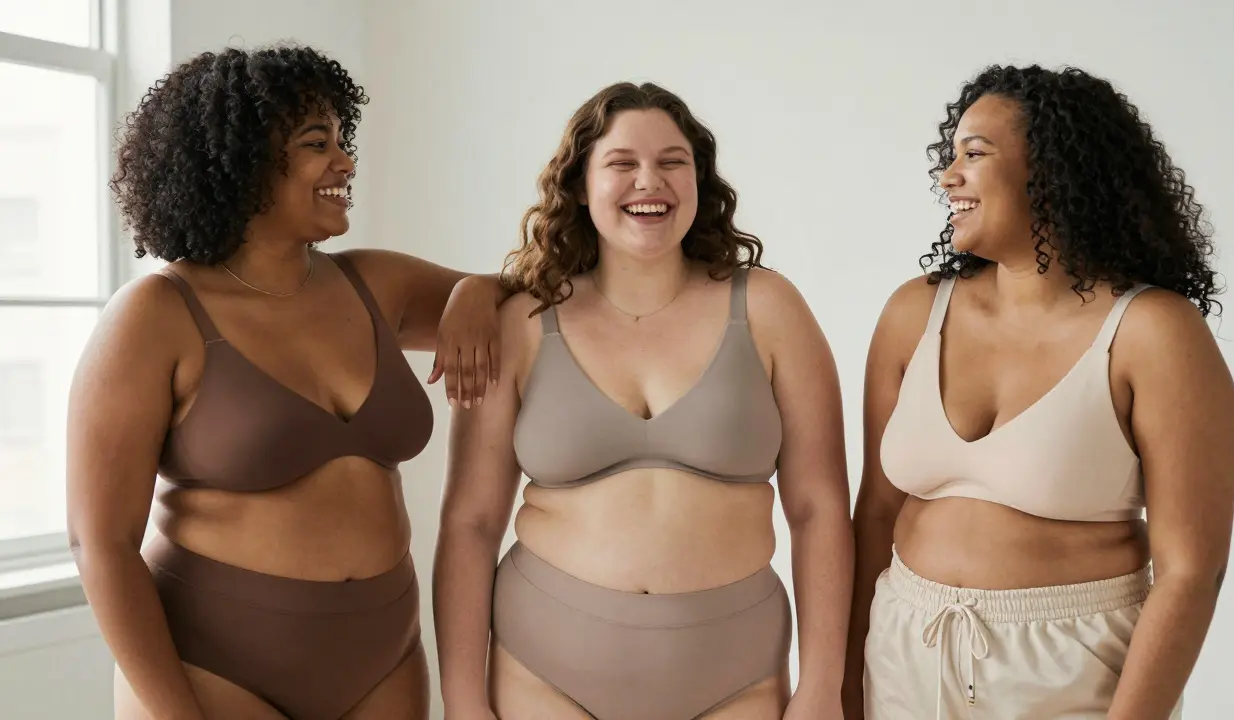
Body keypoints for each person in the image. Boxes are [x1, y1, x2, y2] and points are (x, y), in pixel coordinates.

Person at [66, 44, 507, 720]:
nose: (345, 162)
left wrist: (478, 288)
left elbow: (540, 299)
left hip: (382, 659)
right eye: (315, 143)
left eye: (341, 139)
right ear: (242, 161)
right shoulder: (155, 315)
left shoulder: (375, 284)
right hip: (215, 667)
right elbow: (100, 543)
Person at [433, 81, 853, 720]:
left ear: (699, 181)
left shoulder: (770, 309)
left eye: (672, 162)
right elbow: (471, 522)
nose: (648, 181)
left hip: (735, 675)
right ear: (579, 184)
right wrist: (463, 701)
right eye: (622, 164)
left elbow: (819, 507)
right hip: (544, 672)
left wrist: (823, 686)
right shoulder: (520, 325)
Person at [842, 64, 1234, 720]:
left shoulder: (1152, 333)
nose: (949, 176)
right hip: (904, 651)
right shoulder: (914, 313)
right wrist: (846, 687)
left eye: (975, 154)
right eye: (951, 155)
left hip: (1070, 671)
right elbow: (875, 515)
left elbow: (1193, 573)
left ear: (1052, 174)